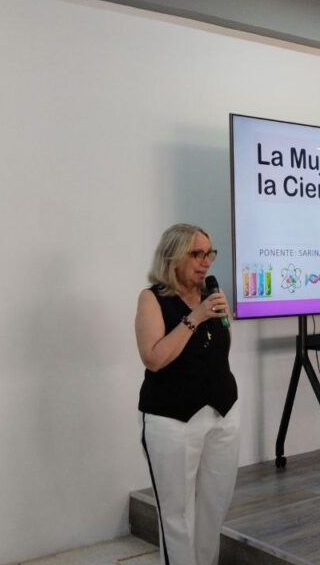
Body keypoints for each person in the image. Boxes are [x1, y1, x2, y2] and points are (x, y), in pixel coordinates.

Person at [135, 223, 239, 565]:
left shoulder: (212, 294)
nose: (205, 261)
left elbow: (223, 346)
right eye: (196, 254)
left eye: (209, 253)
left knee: (214, 506)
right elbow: (154, 358)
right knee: (177, 515)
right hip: (172, 418)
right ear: (172, 256)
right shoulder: (153, 299)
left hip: (223, 412)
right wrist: (195, 317)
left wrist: (215, 313)